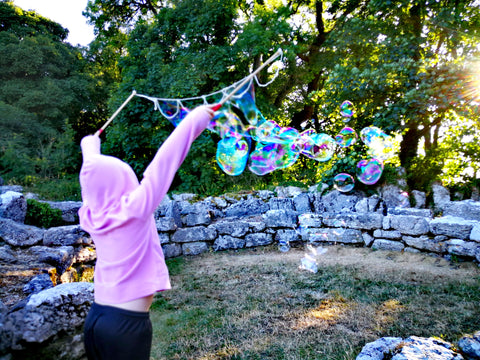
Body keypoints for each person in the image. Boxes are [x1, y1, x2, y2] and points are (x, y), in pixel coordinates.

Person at [79, 105, 216, 360]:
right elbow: (164, 162)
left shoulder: (90, 213)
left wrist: (90, 146)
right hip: (125, 325)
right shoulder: (134, 209)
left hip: (97, 319)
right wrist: (195, 119)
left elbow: (91, 176)